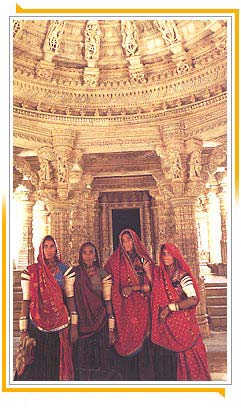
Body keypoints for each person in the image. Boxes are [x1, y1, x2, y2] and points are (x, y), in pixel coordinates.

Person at [14, 235, 74, 381]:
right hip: (36, 322)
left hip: (59, 324)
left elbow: (70, 299)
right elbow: (26, 301)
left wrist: (75, 325)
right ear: (41, 249)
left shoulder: (65, 270)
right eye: (45, 246)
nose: (49, 250)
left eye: (52, 246)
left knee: (55, 365)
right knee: (35, 366)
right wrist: (23, 330)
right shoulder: (31, 272)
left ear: (56, 248)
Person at [151, 242, 211, 381]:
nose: (166, 257)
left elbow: (193, 299)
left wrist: (170, 308)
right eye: (163, 254)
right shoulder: (160, 275)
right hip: (168, 327)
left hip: (183, 327)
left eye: (169, 254)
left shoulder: (182, 275)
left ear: (175, 256)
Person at [104, 228, 155, 381]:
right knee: (122, 341)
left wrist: (133, 288)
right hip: (122, 309)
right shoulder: (115, 261)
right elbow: (106, 279)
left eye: (129, 239)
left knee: (143, 349)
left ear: (135, 240)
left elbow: (152, 286)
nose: (126, 243)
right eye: (123, 240)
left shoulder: (143, 260)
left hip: (141, 307)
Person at [70, 242, 121, 381]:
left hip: (100, 323)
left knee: (102, 364)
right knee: (82, 364)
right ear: (80, 255)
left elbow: (108, 301)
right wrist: (73, 325)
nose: (88, 255)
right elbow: (71, 300)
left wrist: (111, 329)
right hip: (81, 325)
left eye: (91, 252)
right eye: (84, 252)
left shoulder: (102, 273)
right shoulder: (74, 273)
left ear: (95, 255)